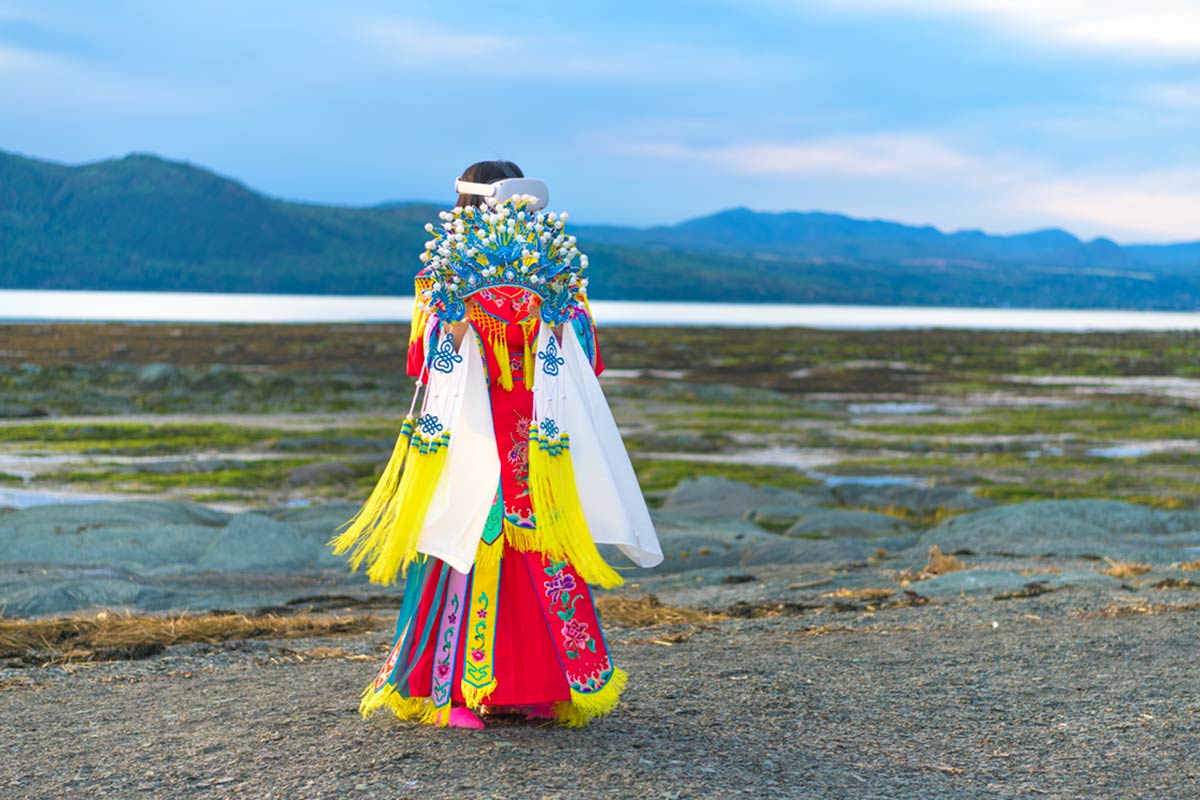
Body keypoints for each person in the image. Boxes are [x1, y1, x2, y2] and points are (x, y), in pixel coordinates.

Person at [328, 160, 662, 729]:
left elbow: (428, 363)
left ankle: (497, 688)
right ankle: (490, 690)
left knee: (498, 546)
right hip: (507, 434)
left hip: (508, 436)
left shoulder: (493, 279)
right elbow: (582, 362)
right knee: (488, 542)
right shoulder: (498, 279)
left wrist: (522, 321)